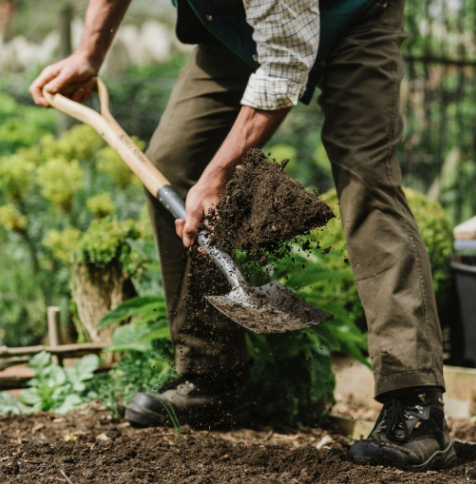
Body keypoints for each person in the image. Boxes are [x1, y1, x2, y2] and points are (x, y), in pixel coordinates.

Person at [30, 0, 456, 470]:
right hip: (238, 28)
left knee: (365, 178)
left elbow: (287, 62)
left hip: (353, 12)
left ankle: (415, 407)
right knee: (171, 162)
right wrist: (89, 53)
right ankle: (212, 379)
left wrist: (219, 176)